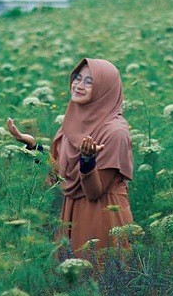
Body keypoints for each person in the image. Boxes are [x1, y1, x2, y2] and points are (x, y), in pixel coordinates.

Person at [7, 58, 134, 257]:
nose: (78, 85)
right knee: (70, 281)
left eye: (89, 82)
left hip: (103, 218)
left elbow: (94, 192)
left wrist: (87, 161)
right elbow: (61, 176)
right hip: (70, 218)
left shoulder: (115, 132)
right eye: (77, 78)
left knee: (101, 279)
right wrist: (33, 146)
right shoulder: (72, 125)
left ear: (105, 89)